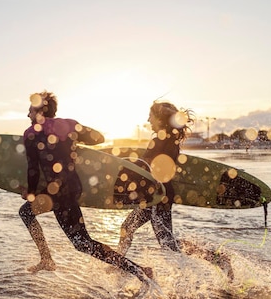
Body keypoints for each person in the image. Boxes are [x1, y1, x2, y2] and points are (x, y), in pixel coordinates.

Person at [19, 90, 153, 282]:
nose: (28, 115)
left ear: (39, 111)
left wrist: (31, 193)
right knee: (29, 214)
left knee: (82, 243)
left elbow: (33, 168)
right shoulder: (69, 124)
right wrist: (71, 141)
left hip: (57, 194)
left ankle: (139, 271)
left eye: (30, 110)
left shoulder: (31, 133)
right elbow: (98, 138)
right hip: (72, 187)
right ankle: (46, 259)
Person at [116, 101, 234, 280]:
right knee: (128, 227)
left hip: (157, 195)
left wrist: (121, 167)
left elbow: (145, 166)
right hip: (155, 196)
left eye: (151, 116)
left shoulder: (160, 140)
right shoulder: (170, 139)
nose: (148, 119)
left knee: (168, 244)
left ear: (160, 119)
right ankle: (119, 264)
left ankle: (218, 258)